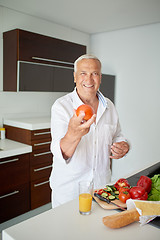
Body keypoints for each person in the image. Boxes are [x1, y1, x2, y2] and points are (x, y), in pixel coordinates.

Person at [49, 54, 129, 208]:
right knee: (68, 232)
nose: (89, 79)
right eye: (83, 73)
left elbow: (118, 135)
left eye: (95, 74)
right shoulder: (61, 107)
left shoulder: (110, 106)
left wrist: (123, 146)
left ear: (100, 77)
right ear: (74, 76)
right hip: (69, 192)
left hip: (101, 189)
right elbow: (61, 153)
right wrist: (74, 133)